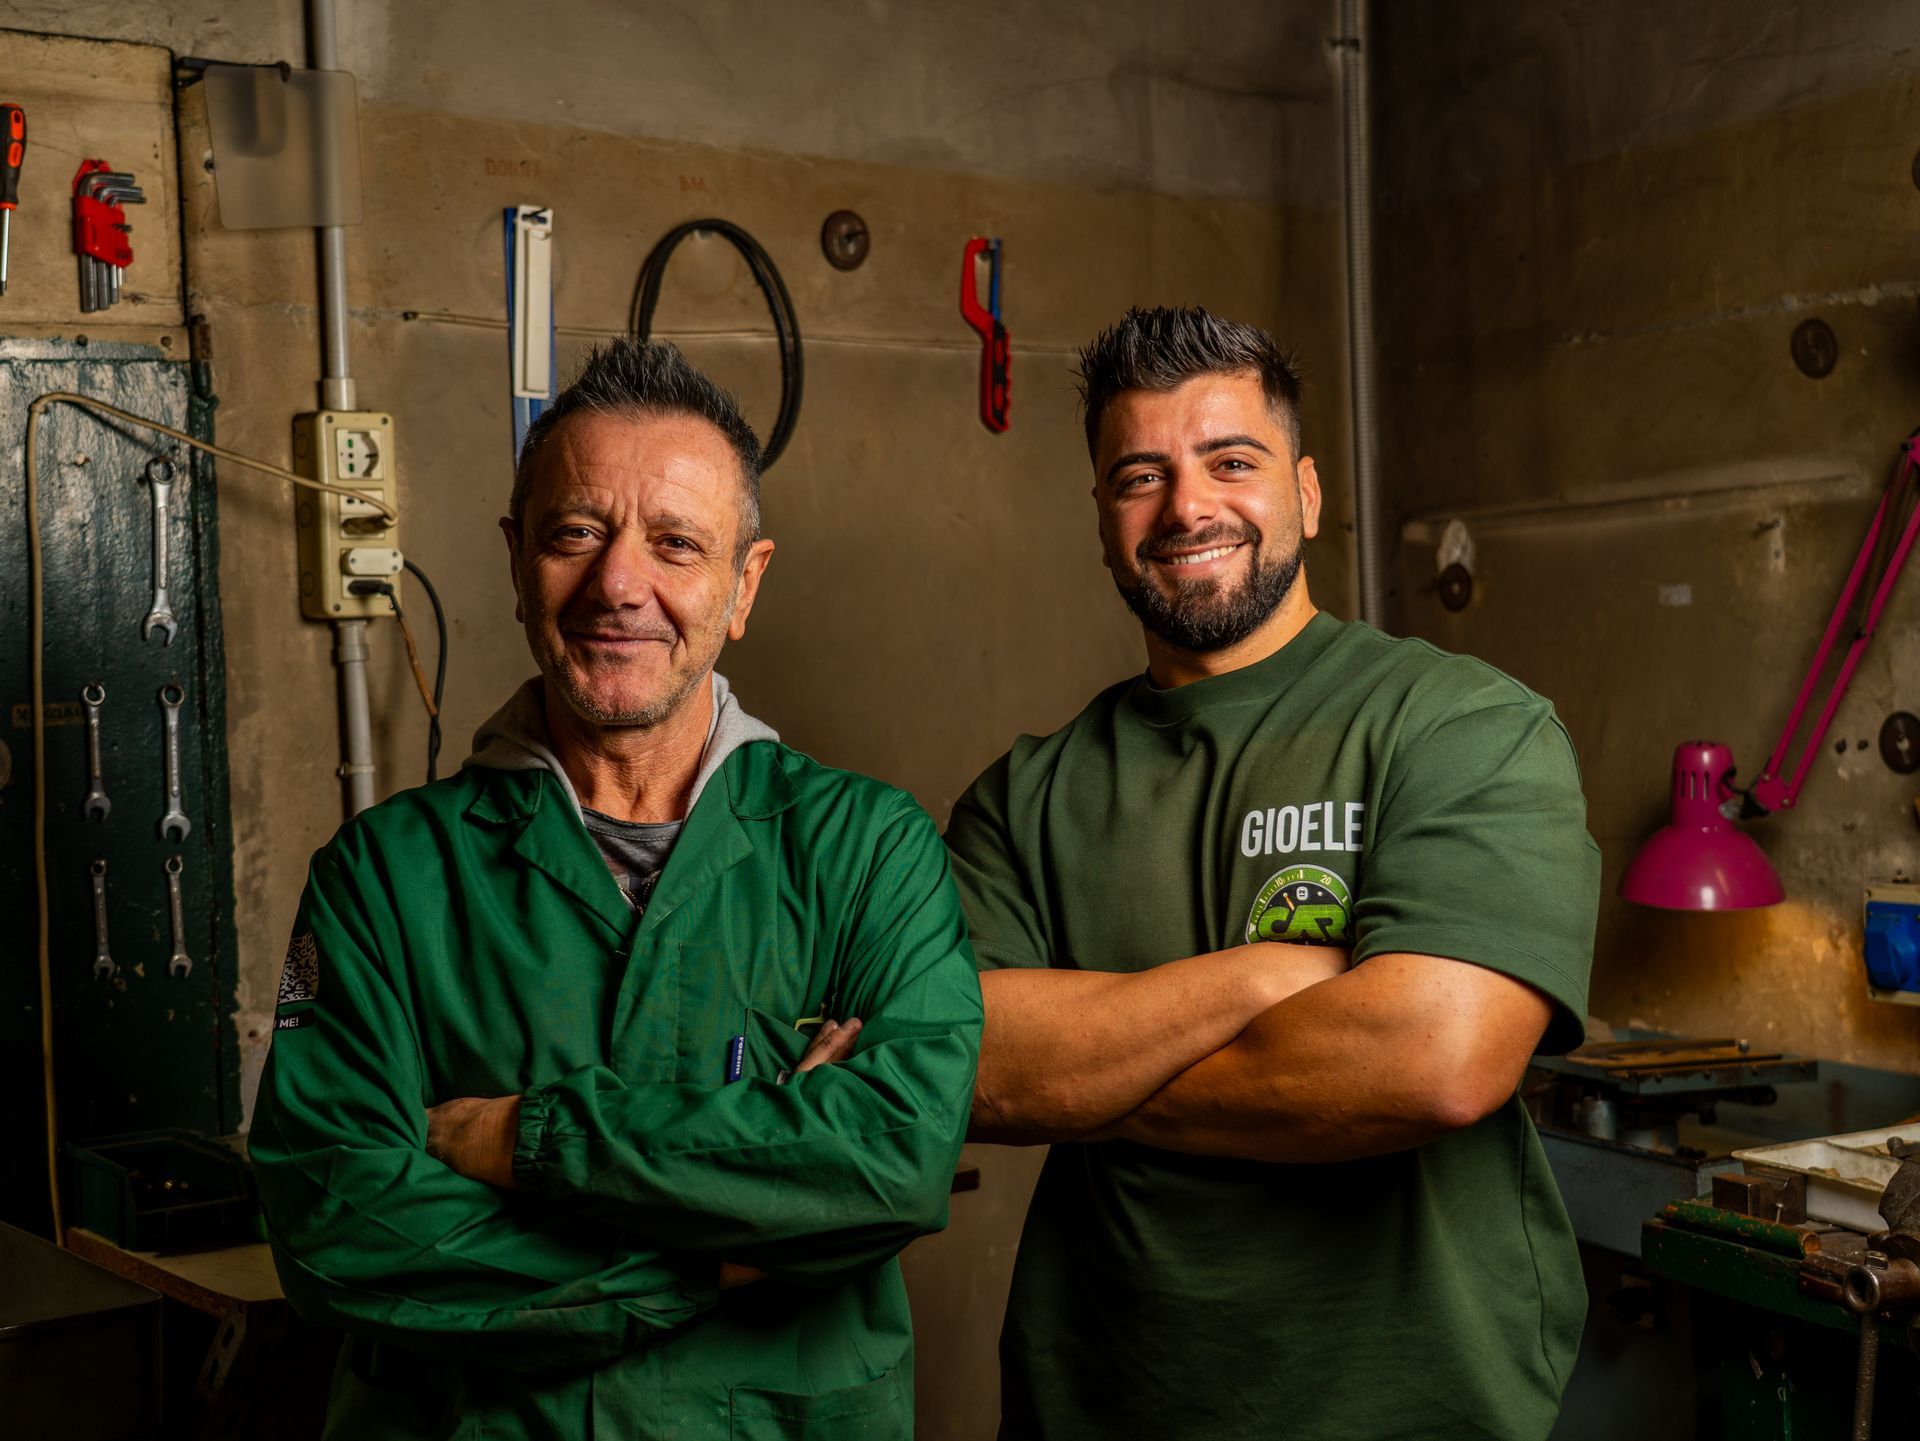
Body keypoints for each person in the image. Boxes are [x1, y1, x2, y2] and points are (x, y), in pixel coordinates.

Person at [251, 337, 983, 1440]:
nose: (618, 584)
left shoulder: (866, 851)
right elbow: (336, 1225)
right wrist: (721, 1256)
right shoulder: (385, 880)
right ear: (516, 560)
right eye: (576, 532)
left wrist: (524, 1144)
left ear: (745, 584)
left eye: (676, 544)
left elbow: (892, 1162)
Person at [945, 307, 1600, 1440]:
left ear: (1304, 492)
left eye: (1229, 461)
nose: (1186, 506)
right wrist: (1261, 983)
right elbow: (955, 1063)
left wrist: (1084, 1074)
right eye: (1139, 475)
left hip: (1408, 1410)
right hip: (1098, 1401)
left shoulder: (1462, 726)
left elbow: (1435, 1061)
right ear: (1103, 521)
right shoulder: (1028, 795)